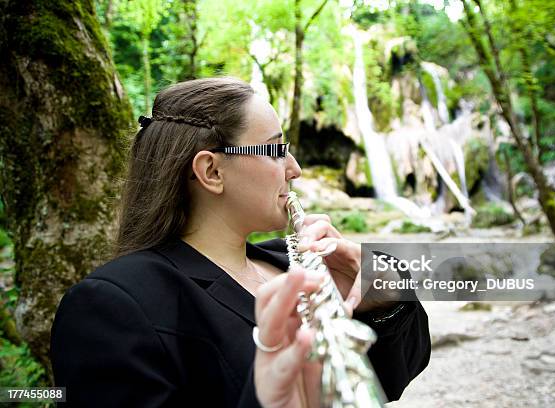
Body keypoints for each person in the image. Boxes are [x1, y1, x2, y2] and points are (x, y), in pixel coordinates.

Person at [50, 77, 430, 407]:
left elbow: (394, 376)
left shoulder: (291, 259)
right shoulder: (112, 305)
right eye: (277, 149)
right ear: (211, 171)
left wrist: (382, 298)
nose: (294, 169)